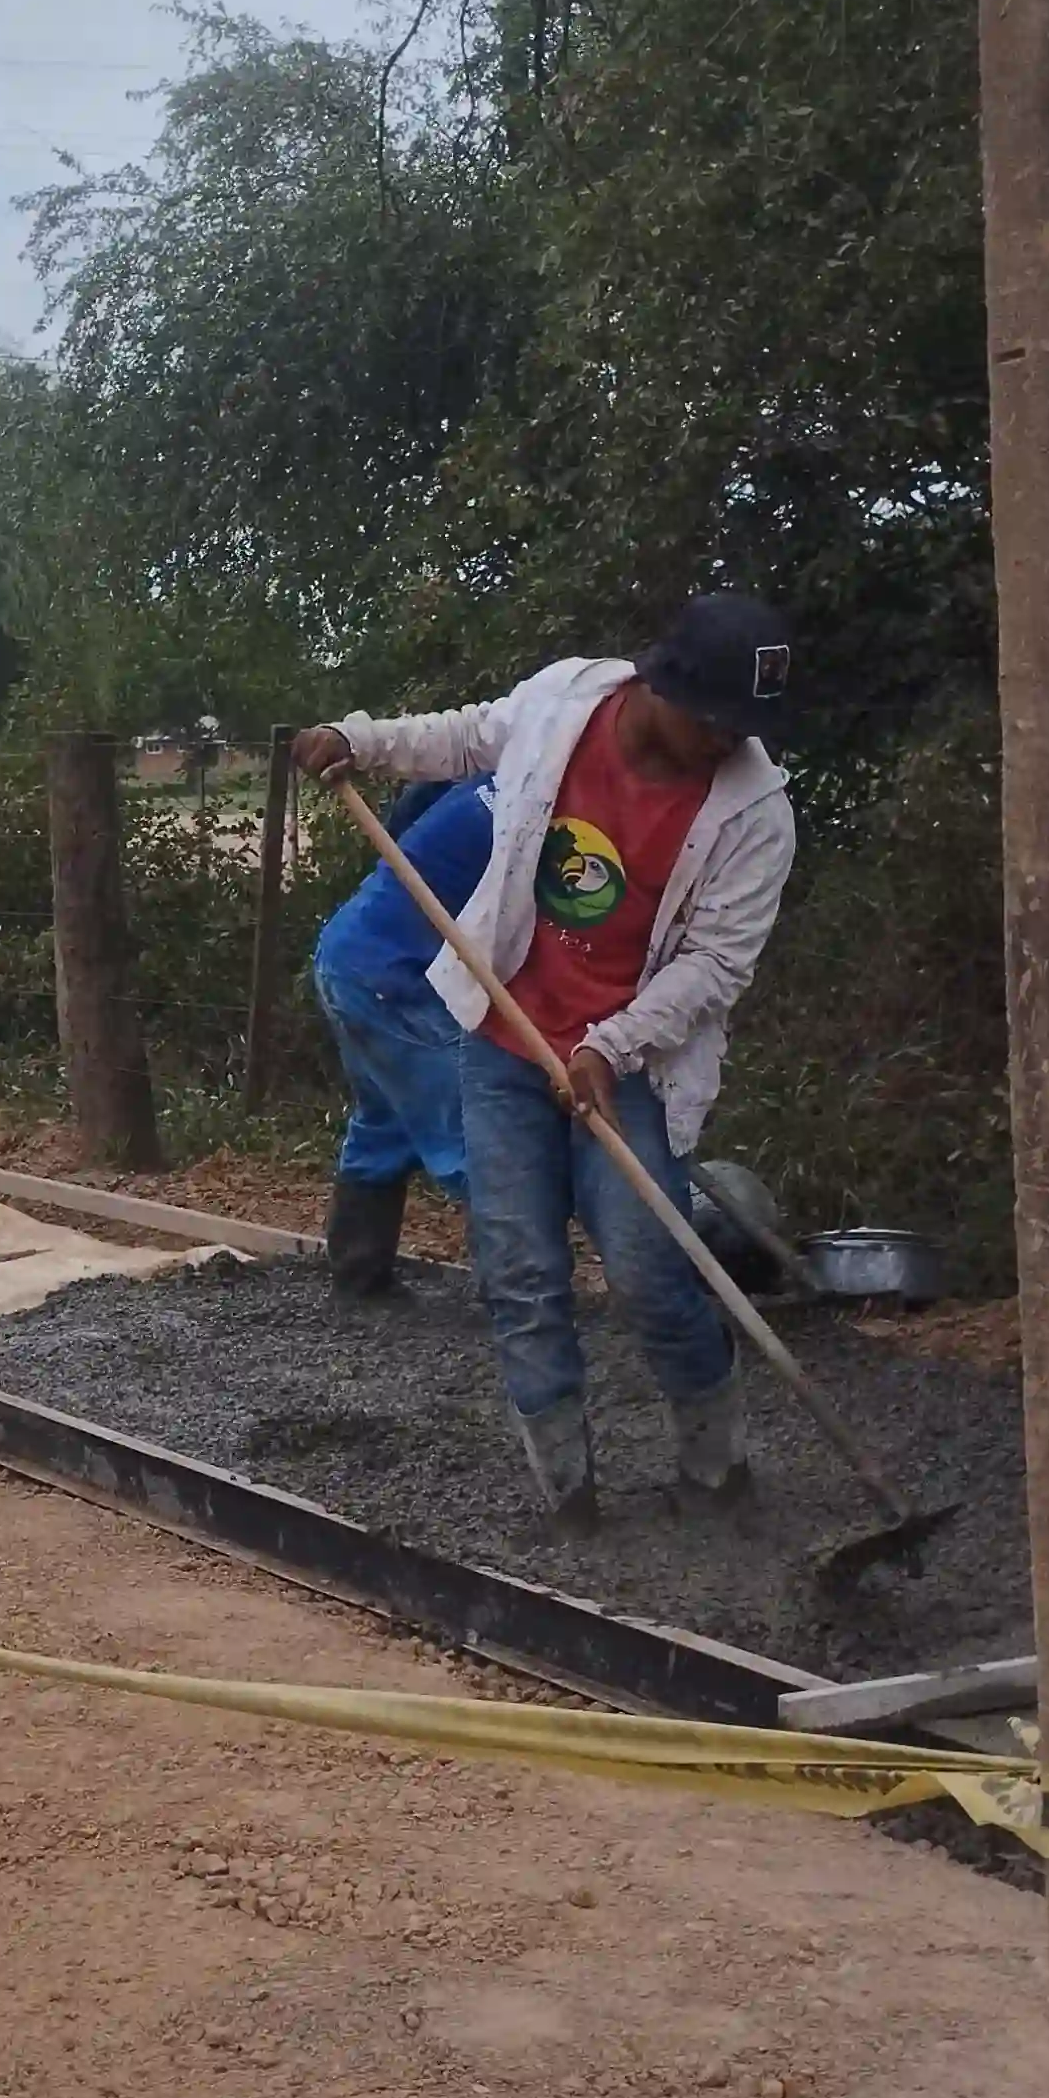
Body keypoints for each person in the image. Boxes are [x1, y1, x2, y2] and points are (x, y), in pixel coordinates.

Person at [288, 595, 800, 1519]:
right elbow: (464, 736)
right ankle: (568, 1497)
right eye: (719, 724)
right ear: (659, 688)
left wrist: (610, 1046)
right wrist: (356, 739)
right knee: (519, 1272)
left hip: (632, 1065)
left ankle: (717, 1468)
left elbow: (719, 965)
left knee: (648, 1268)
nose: (733, 745)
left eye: (746, 730)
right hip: (502, 1036)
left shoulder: (756, 814)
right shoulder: (565, 703)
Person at [309, 774, 493, 1297]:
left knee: (385, 1120)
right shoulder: (541, 811)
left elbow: (408, 817)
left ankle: (359, 1278)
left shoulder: (487, 776)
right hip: (397, 975)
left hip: (350, 951)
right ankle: (518, 1303)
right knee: (486, 1134)